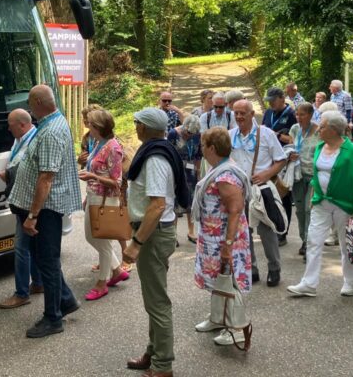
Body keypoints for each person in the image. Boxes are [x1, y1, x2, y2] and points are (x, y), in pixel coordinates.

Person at [9, 84, 81, 339]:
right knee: (44, 259)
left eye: (30, 101)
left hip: (46, 210)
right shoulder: (52, 123)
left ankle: (53, 318)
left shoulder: (50, 131)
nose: (29, 107)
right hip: (46, 207)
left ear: (39, 102)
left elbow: (46, 177)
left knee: (48, 263)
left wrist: (32, 215)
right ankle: (66, 299)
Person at [123, 108, 189, 377]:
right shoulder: (158, 151)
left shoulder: (155, 159)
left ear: (144, 128)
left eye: (137, 122)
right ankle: (154, 353)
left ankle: (163, 365)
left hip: (152, 234)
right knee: (153, 299)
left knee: (157, 302)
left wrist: (136, 243)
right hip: (155, 232)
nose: (135, 126)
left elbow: (158, 205)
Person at [287, 111, 353, 298]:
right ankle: (308, 283)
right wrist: (314, 194)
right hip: (321, 202)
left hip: (344, 204)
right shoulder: (320, 146)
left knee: (346, 245)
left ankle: (351, 282)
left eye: (322, 126)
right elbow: (316, 174)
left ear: (333, 129)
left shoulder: (351, 151)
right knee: (313, 240)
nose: (319, 129)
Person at [192, 127, 252, 346]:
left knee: (230, 282)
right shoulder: (219, 168)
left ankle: (235, 328)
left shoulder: (226, 176)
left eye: (203, 146)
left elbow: (235, 210)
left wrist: (228, 245)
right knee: (219, 281)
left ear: (213, 148)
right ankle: (218, 318)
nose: (201, 150)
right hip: (213, 238)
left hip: (226, 240)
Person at [229, 99, 287, 286]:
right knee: (244, 231)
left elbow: (281, 159)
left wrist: (266, 174)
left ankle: (274, 268)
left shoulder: (267, 134)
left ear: (252, 114)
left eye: (242, 113)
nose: (239, 117)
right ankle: (251, 268)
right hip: (239, 191)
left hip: (261, 191)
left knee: (266, 229)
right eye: (236, 113)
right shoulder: (230, 135)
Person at [78, 108, 129, 301]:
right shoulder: (99, 143)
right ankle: (116, 270)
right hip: (94, 197)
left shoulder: (113, 147)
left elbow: (116, 181)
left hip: (106, 200)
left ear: (98, 126)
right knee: (92, 237)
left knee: (102, 240)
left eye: (90, 123)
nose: (87, 126)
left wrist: (92, 176)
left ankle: (102, 283)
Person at [0, 109, 44, 309]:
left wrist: (9, 176)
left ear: (23, 125)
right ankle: (39, 282)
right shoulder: (21, 138)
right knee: (32, 246)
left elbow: (32, 173)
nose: (8, 128)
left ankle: (21, 293)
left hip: (27, 202)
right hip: (22, 200)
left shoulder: (33, 141)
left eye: (11, 124)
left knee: (21, 248)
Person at [262, 88, 296, 246]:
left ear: (282, 98)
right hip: (268, 160)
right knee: (269, 196)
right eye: (269, 100)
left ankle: (283, 231)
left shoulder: (291, 115)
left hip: (285, 160)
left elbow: (295, 139)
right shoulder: (268, 113)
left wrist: (277, 136)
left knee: (284, 196)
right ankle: (272, 228)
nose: (270, 103)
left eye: (273, 100)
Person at [287, 102, 320, 258]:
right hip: (297, 175)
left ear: (311, 115)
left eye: (302, 114)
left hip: (313, 176)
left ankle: (309, 243)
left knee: (309, 209)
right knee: (300, 210)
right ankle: (303, 239)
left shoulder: (319, 132)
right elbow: (292, 147)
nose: (299, 117)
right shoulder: (294, 129)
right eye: (297, 114)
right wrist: (290, 154)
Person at [168, 114, 202, 243]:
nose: (190, 135)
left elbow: (198, 155)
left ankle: (191, 231)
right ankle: (173, 234)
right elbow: (168, 153)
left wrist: (198, 172)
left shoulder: (198, 135)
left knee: (191, 201)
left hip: (191, 171)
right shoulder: (173, 134)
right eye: (188, 132)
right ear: (184, 126)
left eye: (193, 133)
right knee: (175, 201)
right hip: (176, 170)